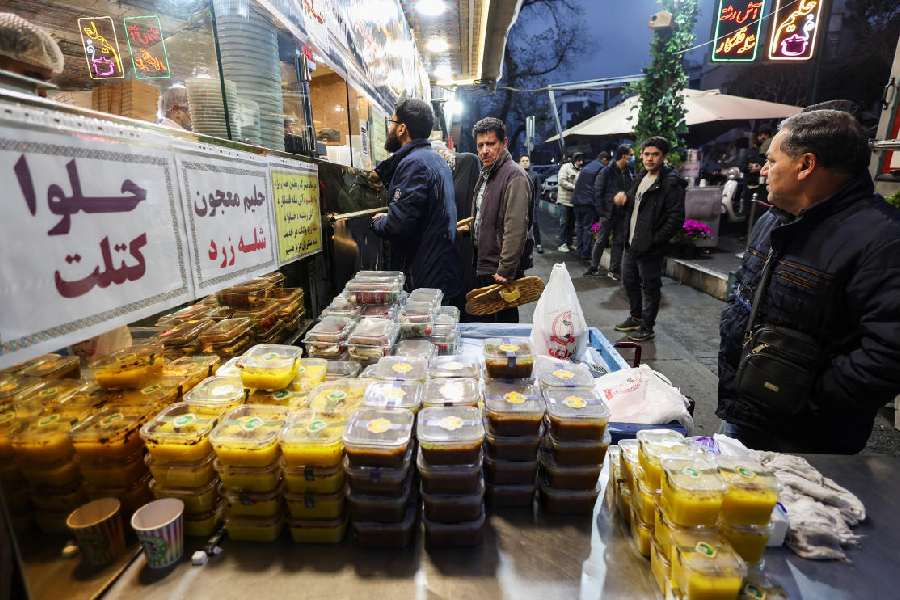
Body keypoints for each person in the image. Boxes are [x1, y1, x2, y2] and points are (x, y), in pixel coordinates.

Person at [718, 109, 900, 453]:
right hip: (743, 414)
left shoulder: (883, 240)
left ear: (805, 166)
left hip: (808, 441)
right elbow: (742, 290)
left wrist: (807, 397)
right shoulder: (774, 219)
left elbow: (888, 353)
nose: (763, 169)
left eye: (772, 160)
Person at [371, 99, 463, 303]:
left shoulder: (414, 164)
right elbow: (419, 213)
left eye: (391, 122)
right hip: (440, 270)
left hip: (425, 277)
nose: (389, 127)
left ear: (402, 128)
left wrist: (378, 221)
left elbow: (398, 226)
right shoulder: (435, 159)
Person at [614, 136, 686, 342]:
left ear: (663, 157)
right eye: (647, 154)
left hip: (650, 246)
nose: (650, 159)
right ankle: (635, 317)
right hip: (632, 242)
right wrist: (623, 198)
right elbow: (631, 202)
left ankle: (647, 326)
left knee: (650, 286)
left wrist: (655, 240)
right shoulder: (641, 177)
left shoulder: (671, 182)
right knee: (629, 281)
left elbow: (676, 218)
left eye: (655, 155)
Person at [465, 117, 533, 323]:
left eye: (491, 144)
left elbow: (516, 227)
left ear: (504, 143)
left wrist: (506, 269)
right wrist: (470, 226)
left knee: (504, 326)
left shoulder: (515, 176)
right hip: (485, 263)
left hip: (500, 270)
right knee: (489, 324)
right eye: (480, 145)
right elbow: (487, 214)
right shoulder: (487, 173)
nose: (484, 150)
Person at [585, 144, 634, 280]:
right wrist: (603, 212)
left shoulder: (628, 172)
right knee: (601, 240)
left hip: (622, 214)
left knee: (618, 242)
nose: (632, 157)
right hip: (608, 213)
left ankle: (614, 270)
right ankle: (594, 267)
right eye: (631, 154)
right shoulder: (606, 171)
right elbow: (598, 193)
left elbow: (630, 191)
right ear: (623, 155)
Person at [572, 152, 608, 260]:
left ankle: (579, 250)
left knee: (579, 226)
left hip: (577, 202)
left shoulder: (588, 166)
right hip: (589, 204)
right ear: (604, 159)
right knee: (590, 227)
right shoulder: (601, 168)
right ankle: (586, 253)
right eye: (607, 162)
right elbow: (599, 188)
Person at [556, 153, 583, 252]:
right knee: (564, 222)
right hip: (564, 201)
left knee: (571, 223)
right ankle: (561, 243)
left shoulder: (580, 170)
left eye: (581, 160)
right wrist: (574, 187)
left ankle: (569, 243)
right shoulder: (565, 167)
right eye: (579, 160)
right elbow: (561, 181)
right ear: (574, 160)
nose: (581, 162)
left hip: (574, 201)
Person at [519, 155, 543, 253]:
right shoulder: (517, 174)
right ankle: (521, 244)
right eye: (523, 161)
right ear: (519, 163)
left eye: (527, 160)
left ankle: (538, 244)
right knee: (520, 225)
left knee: (535, 223)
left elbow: (538, 190)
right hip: (519, 205)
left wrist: (536, 203)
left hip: (532, 205)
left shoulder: (535, 175)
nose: (525, 162)